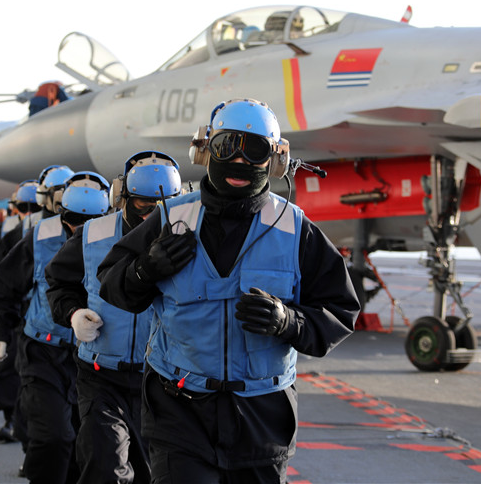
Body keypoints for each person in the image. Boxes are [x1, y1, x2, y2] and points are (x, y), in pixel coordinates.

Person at [98, 98, 360, 483]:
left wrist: (290, 322)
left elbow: (340, 310)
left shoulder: (294, 228)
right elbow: (111, 283)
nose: (238, 161)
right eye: (226, 146)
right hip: (179, 411)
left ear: (274, 161)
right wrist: (145, 269)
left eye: (253, 150)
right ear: (205, 150)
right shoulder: (171, 218)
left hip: (261, 418)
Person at [47, 151, 183, 484]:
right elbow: (59, 282)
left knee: (154, 473)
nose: (151, 215)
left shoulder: (187, 236)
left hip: (162, 382)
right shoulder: (93, 234)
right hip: (101, 376)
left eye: (160, 206)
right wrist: (74, 313)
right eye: (142, 205)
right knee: (105, 465)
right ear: (122, 196)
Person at [0, 171, 109, 484]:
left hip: (93, 359)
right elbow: (4, 284)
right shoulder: (39, 236)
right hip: (42, 354)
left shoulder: (117, 237)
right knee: (53, 437)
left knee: (86, 446)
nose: (79, 230)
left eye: (89, 222)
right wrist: (2, 331)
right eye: (72, 221)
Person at [0, 179, 43, 444]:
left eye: (32, 206)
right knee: (11, 369)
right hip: (20, 313)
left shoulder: (56, 231)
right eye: (23, 206)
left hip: (47, 316)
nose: (28, 212)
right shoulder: (11, 232)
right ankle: (12, 420)